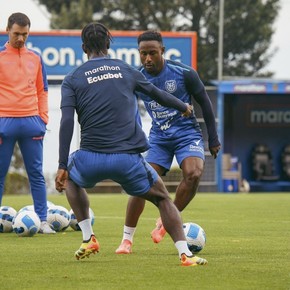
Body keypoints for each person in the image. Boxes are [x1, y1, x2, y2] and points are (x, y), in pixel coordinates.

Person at [55, 22, 208, 267]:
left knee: (71, 177)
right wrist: (184, 106)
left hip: (90, 158)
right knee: (163, 199)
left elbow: (66, 122)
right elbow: (158, 93)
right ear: (108, 45)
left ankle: (88, 238)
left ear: (84, 48)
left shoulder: (72, 79)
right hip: (127, 160)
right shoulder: (125, 69)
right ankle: (185, 254)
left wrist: (63, 165)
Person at [115, 30, 221, 254]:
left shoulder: (184, 73)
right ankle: (126, 239)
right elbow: (123, 107)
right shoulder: (137, 76)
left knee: (193, 174)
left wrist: (213, 138)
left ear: (162, 51)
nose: (148, 59)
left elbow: (205, 103)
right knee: (139, 181)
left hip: (186, 134)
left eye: (152, 53)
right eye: (143, 54)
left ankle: (165, 222)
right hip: (158, 138)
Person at [0, 12, 55, 234]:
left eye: (25, 34)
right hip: (4, 122)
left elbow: (43, 90)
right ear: (7, 31)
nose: (21, 38)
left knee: (36, 173)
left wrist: (43, 119)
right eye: (17, 34)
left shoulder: (36, 58)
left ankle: (42, 221)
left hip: (32, 123)